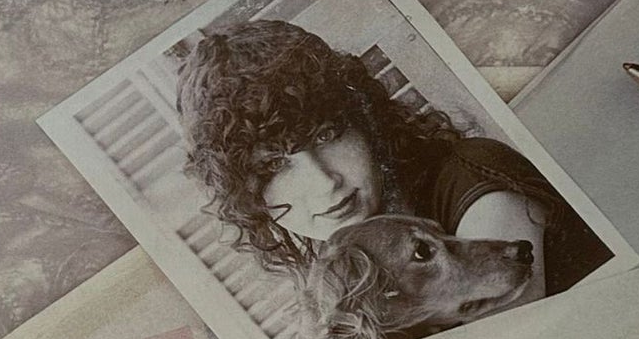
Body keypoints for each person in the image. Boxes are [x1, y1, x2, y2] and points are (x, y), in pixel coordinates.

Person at [173, 17, 608, 294]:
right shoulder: (357, 267)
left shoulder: (474, 181)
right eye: (273, 165)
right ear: (246, 196)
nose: (324, 181)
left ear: (365, 120)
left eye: (327, 134)